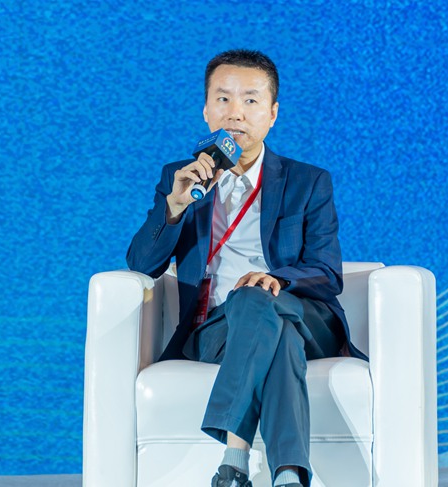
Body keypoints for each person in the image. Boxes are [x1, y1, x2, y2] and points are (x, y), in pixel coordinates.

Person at [126, 49, 365, 487]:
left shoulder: (308, 181)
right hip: (217, 330)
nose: (235, 112)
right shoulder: (180, 177)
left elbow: (327, 272)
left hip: (304, 316)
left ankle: (234, 460)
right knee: (276, 334)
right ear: (206, 110)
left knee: (261, 300)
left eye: (250, 100)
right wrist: (174, 207)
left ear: (272, 114)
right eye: (223, 99)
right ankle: (288, 475)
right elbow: (142, 265)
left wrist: (278, 279)